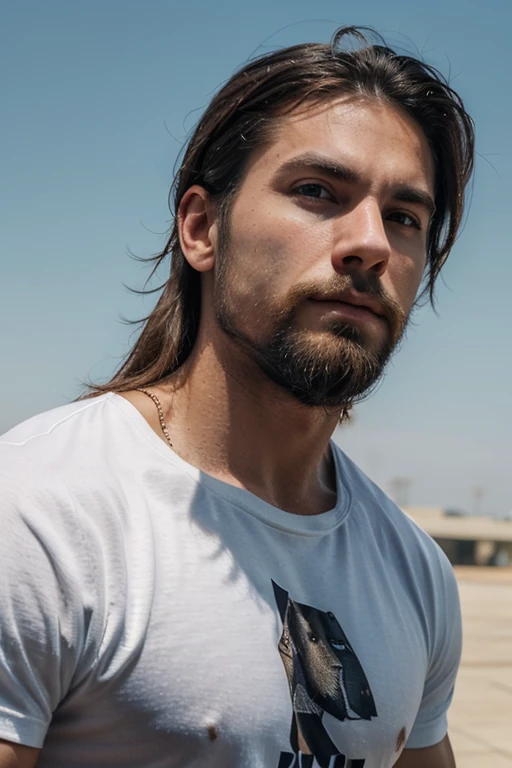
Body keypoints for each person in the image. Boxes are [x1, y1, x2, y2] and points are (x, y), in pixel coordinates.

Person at [0, 25, 474, 768]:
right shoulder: (37, 515)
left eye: (404, 218)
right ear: (200, 228)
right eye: (318, 192)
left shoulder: (413, 572)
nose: (371, 242)